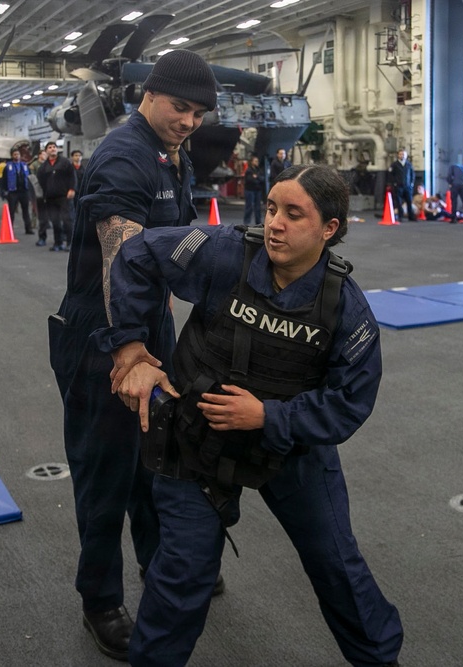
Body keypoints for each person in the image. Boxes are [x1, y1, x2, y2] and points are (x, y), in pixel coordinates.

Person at [99, 164, 403, 667]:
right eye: (271, 208)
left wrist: (269, 417)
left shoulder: (344, 310)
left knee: (337, 566)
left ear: (329, 229)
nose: (275, 223)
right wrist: (130, 350)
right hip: (195, 443)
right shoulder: (222, 253)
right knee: (181, 576)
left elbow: (350, 403)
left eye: (293, 214)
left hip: (288, 450)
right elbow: (135, 253)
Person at [46, 49, 222, 662]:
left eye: (199, 113)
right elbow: (119, 252)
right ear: (149, 95)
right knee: (105, 472)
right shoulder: (124, 155)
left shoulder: (170, 155)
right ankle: (99, 601)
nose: (190, 120)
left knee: (158, 456)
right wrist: (129, 347)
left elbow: (174, 246)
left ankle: (158, 564)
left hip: (146, 325)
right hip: (103, 333)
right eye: (181, 107)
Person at [36, 141, 76, 251]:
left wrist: (72, 189)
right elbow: (40, 181)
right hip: (50, 198)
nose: (52, 149)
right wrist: (44, 194)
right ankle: (58, 243)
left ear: (57, 149)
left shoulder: (65, 162)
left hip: (64, 196)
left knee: (68, 220)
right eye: (50, 147)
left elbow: (72, 176)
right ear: (46, 151)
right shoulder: (43, 167)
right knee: (55, 221)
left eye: (54, 147)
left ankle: (70, 243)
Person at [1, 149, 33, 235]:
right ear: (12, 156)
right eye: (15, 154)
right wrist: (4, 191)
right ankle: (10, 230)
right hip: (13, 191)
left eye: (18, 154)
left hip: (24, 191)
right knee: (11, 211)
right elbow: (3, 180)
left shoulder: (25, 165)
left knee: (26, 211)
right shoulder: (8, 166)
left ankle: (28, 229)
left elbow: (30, 178)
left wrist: (30, 191)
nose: (17, 156)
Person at [389, 149, 416, 221]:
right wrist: (394, 183)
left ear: (406, 155)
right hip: (398, 186)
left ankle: (411, 216)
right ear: (398, 155)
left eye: (403, 154)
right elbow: (391, 175)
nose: (402, 156)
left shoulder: (409, 164)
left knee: (409, 201)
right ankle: (400, 216)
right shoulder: (394, 165)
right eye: (400, 154)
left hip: (407, 186)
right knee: (399, 202)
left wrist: (412, 183)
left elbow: (412, 174)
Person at [242, 155, 264, 225]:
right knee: (249, 206)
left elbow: (262, 179)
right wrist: (258, 179)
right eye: (255, 161)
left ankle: (258, 222)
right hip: (249, 190)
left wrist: (256, 177)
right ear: (251, 162)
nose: (257, 162)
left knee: (258, 207)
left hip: (257, 190)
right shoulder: (249, 170)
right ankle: (246, 222)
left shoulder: (259, 170)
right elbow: (249, 180)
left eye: (257, 161)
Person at [69, 149, 85, 222]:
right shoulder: (69, 168)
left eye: (79, 155)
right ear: (72, 157)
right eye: (76, 155)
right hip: (72, 191)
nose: (78, 157)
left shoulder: (84, 169)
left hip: (81, 192)